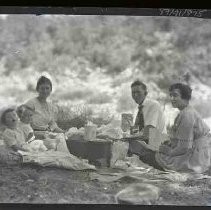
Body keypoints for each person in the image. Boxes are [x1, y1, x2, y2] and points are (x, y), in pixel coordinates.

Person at [129, 83, 211, 173]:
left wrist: (169, 152)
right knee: (151, 150)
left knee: (147, 153)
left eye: (175, 95)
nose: (172, 99)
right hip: (198, 153)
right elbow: (184, 140)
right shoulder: (185, 111)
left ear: (184, 97)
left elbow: (184, 148)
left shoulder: (187, 115)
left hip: (195, 159)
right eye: (171, 95)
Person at [24, 76, 70, 153]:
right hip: (32, 136)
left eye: (47, 88)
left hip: (46, 134)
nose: (45, 91)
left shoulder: (50, 106)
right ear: (37, 89)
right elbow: (24, 125)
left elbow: (52, 125)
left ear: (51, 90)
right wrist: (38, 134)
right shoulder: (31, 104)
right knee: (55, 142)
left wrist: (64, 132)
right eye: (42, 88)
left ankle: (64, 157)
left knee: (62, 136)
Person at [129, 80, 166, 146]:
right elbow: (136, 131)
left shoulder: (153, 105)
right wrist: (129, 131)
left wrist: (129, 137)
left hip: (157, 144)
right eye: (133, 92)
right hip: (147, 143)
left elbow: (149, 130)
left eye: (138, 92)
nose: (135, 95)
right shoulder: (140, 107)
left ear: (145, 93)